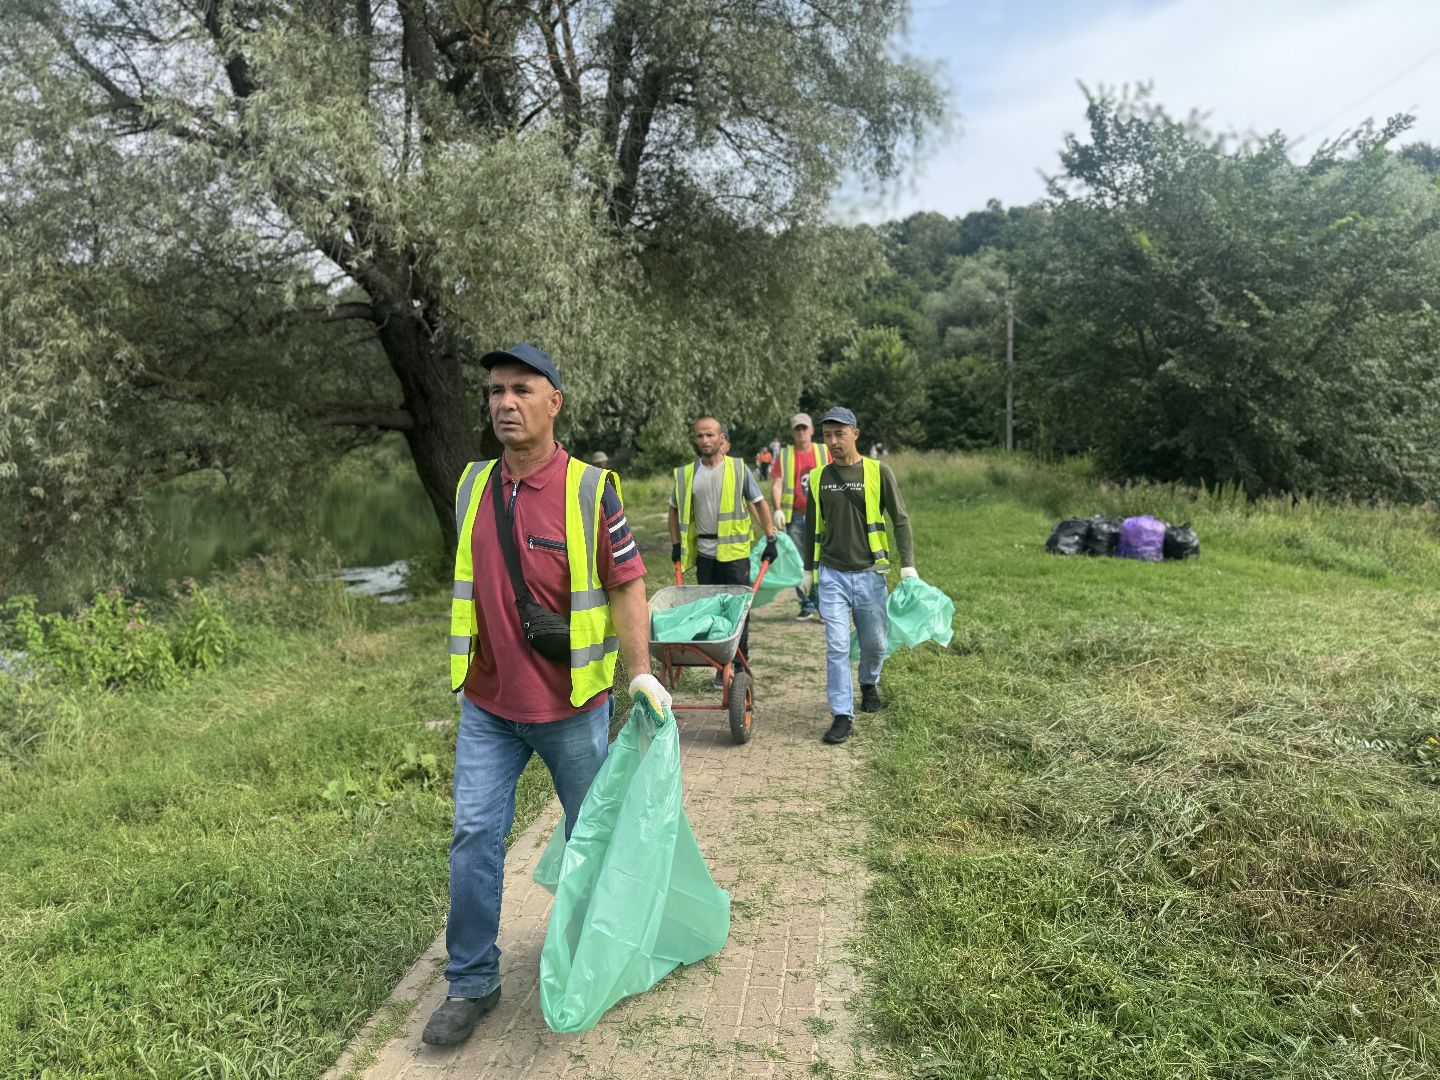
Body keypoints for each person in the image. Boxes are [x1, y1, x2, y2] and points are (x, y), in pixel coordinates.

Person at [427, 343, 671, 1047]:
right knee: (473, 836)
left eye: (522, 390)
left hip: (571, 709)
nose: (505, 403)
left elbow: (627, 583)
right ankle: (472, 981)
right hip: (488, 707)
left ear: (553, 402)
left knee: (591, 841)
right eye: (496, 391)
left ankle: (601, 957)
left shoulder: (592, 489)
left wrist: (641, 672)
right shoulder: (472, 483)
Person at [802, 406, 916, 746]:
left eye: (839, 434)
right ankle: (841, 714)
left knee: (875, 643)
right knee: (836, 646)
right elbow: (811, 526)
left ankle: (868, 682)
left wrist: (908, 563)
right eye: (827, 436)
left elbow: (901, 519)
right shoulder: (820, 477)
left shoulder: (878, 472)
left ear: (855, 433)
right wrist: (809, 569)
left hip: (870, 575)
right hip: (832, 575)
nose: (833, 442)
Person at [668, 417, 777, 686]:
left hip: (736, 553)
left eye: (710, 435)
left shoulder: (739, 469)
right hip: (705, 554)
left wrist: (771, 537)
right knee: (711, 609)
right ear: (694, 440)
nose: (705, 440)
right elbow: (673, 510)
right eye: (699, 436)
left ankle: (739, 663)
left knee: (739, 610)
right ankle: (720, 664)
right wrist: (675, 545)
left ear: (720, 438)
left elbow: (760, 503)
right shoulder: (686, 475)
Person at [770, 412, 830, 622]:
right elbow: (777, 484)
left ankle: (824, 606)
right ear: (793, 432)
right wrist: (777, 508)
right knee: (799, 563)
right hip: (795, 516)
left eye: (805, 428)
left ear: (812, 430)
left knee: (823, 561)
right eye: (798, 428)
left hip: (823, 516)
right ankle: (807, 604)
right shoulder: (785, 455)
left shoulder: (824, 451)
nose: (802, 432)